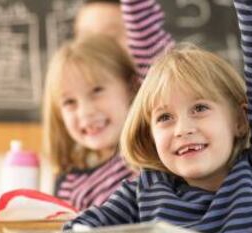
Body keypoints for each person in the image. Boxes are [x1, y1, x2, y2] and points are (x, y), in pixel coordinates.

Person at [64, 0, 252, 232]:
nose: (182, 129)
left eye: (200, 109)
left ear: (240, 121)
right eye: (165, 118)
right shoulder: (145, 191)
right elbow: (81, 227)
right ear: (150, 135)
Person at [42, 0, 173, 210]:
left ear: (130, 86)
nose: (86, 112)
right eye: (69, 102)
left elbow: (148, 39)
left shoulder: (148, 141)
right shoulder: (69, 184)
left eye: (97, 91)